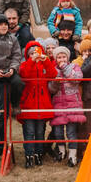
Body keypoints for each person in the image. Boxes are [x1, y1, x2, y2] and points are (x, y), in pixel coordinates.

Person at [0, 15, 24, 153]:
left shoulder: (13, 39)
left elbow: (17, 56)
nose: (3, 26)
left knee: (19, 83)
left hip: (10, 72)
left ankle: (16, 104)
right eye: (0, 24)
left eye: (5, 24)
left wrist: (13, 69)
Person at [19, 40, 57, 168]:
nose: (35, 55)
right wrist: (31, 60)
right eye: (31, 53)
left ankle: (39, 154)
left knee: (40, 132)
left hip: (42, 104)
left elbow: (53, 74)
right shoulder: (25, 64)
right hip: (29, 104)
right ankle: (29, 155)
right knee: (29, 132)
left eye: (37, 52)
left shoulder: (45, 65)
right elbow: (24, 74)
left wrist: (45, 60)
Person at [49, 44, 86, 165]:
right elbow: (51, 89)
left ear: (68, 57)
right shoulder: (53, 70)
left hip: (72, 103)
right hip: (58, 104)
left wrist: (65, 67)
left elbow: (77, 79)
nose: (61, 60)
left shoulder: (74, 67)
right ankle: (61, 151)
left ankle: (72, 155)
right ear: (55, 59)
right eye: (59, 57)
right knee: (58, 131)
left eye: (63, 57)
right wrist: (55, 83)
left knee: (71, 132)